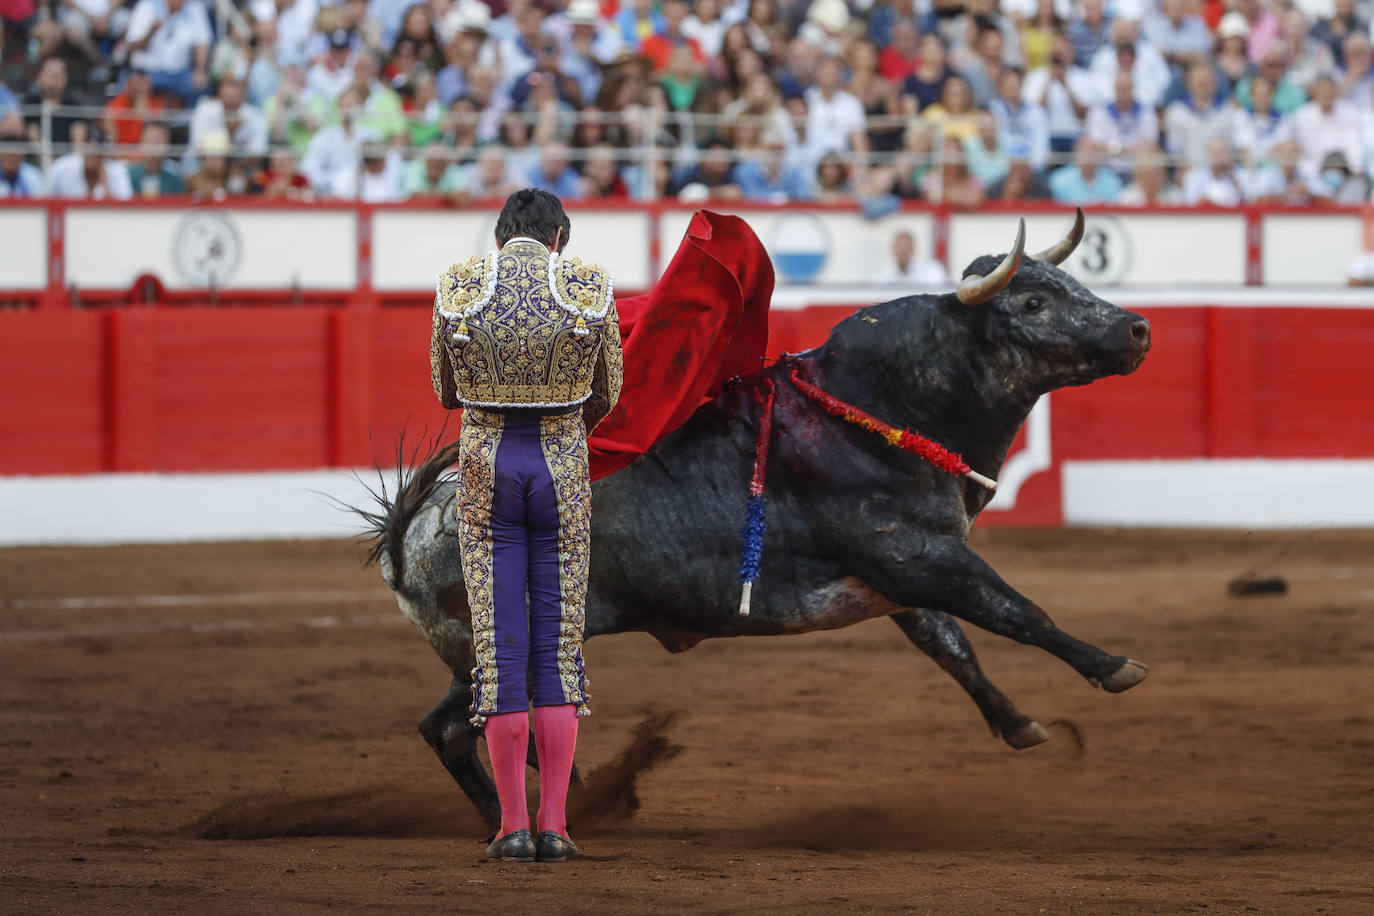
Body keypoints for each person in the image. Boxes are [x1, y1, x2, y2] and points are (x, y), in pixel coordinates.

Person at [429, 189, 622, 863]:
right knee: (557, 644)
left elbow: (444, 389)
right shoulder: (589, 285)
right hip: (561, 466)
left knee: (501, 648)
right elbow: (609, 392)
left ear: (500, 235)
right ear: (559, 235)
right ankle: (557, 827)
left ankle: (513, 827)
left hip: (486, 468)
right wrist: (566, 426)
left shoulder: (458, 286)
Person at [878, 230, 950, 286]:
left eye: (906, 247)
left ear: (913, 249)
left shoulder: (932, 270)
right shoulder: (883, 277)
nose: (903, 251)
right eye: (900, 247)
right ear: (893, 249)